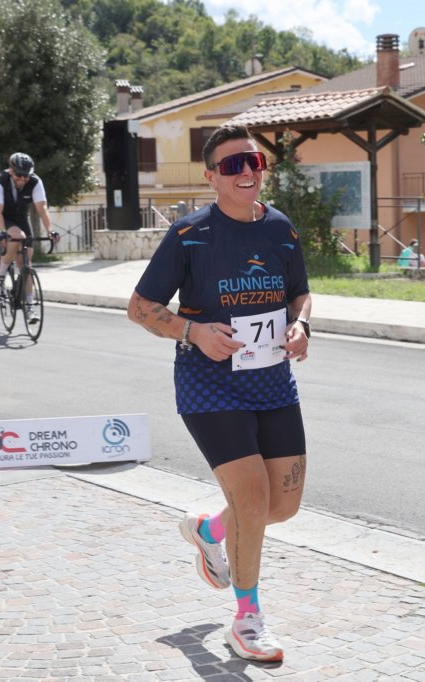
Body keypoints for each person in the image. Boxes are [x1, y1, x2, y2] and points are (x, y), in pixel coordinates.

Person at [127, 124, 311, 663]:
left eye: (254, 161)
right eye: (233, 165)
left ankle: (210, 530)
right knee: (252, 500)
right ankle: (247, 619)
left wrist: (301, 325)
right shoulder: (189, 234)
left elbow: (300, 293)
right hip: (209, 386)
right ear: (211, 177)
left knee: (282, 506)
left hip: (273, 381)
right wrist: (193, 331)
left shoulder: (280, 228)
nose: (247, 171)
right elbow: (140, 308)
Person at [0, 152, 55, 325]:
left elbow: (42, 208)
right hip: (0, 217)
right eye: (19, 175)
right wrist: (2, 232)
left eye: (26, 176)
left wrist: (50, 230)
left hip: (20, 218)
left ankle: (29, 306)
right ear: (11, 170)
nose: (22, 179)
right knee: (17, 237)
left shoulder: (35, 181)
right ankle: (0, 275)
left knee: (26, 262)